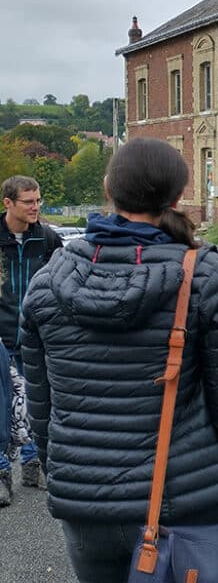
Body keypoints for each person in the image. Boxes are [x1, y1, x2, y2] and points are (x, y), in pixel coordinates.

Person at [20, 138, 218, 583]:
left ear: (107, 188)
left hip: (86, 508)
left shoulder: (46, 284)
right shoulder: (205, 280)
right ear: (176, 199)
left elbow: (42, 409)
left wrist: (69, 479)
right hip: (188, 501)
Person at [0, 175, 62, 505]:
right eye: (29, 201)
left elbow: (62, 285)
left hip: (35, 336)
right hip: (1, 336)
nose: (36, 206)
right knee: (1, 405)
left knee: (36, 403)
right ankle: (1, 472)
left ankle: (32, 462)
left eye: (38, 200)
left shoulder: (49, 239)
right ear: (8, 203)